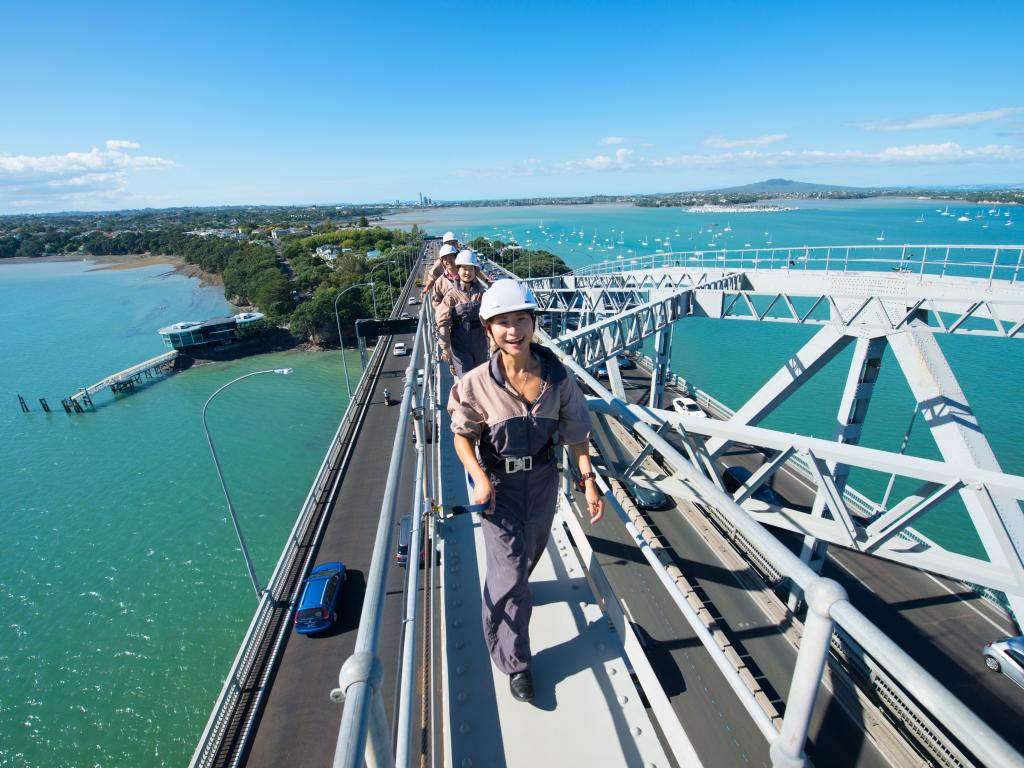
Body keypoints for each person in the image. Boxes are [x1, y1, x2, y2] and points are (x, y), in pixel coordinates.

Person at [447, 279, 603, 703]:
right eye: (502, 323)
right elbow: (462, 436)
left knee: (526, 561)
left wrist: (588, 483)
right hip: (498, 489)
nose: (513, 330)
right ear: (489, 330)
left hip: (543, 483)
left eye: (521, 319)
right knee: (513, 577)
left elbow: (576, 434)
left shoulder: (557, 377)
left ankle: (503, 598)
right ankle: (516, 662)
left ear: (533, 322)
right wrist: (478, 476)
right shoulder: (476, 383)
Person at [436, 250, 488, 378]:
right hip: (460, 343)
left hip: (480, 342)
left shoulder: (482, 292)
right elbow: (443, 322)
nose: (468, 272)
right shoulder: (452, 295)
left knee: (481, 376)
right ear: (458, 270)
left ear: (475, 271)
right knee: (466, 378)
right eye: (464, 269)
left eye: (471, 269)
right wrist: (445, 347)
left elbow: (492, 318)